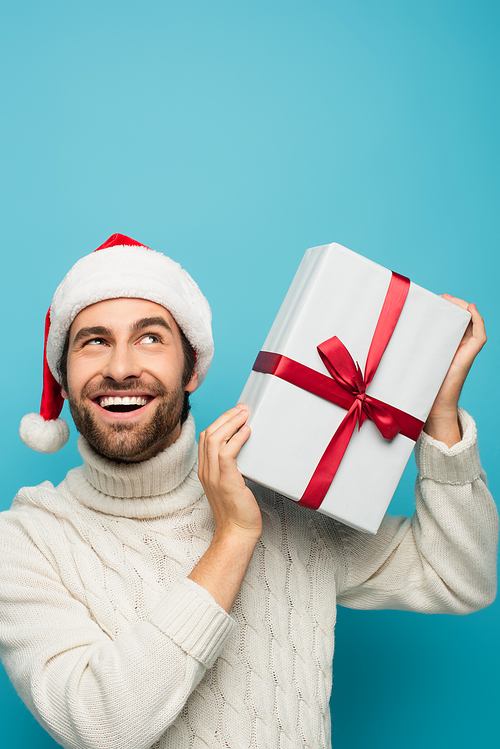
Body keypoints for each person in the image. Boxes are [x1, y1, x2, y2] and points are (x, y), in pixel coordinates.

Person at [0, 233, 497, 749]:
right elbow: (101, 724)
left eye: (150, 337)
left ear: (192, 368)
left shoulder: (284, 493)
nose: (121, 367)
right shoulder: (24, 541)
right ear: (61, 377)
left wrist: (438, 416)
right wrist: (234, 535)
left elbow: (460, 577)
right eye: (94, 341)